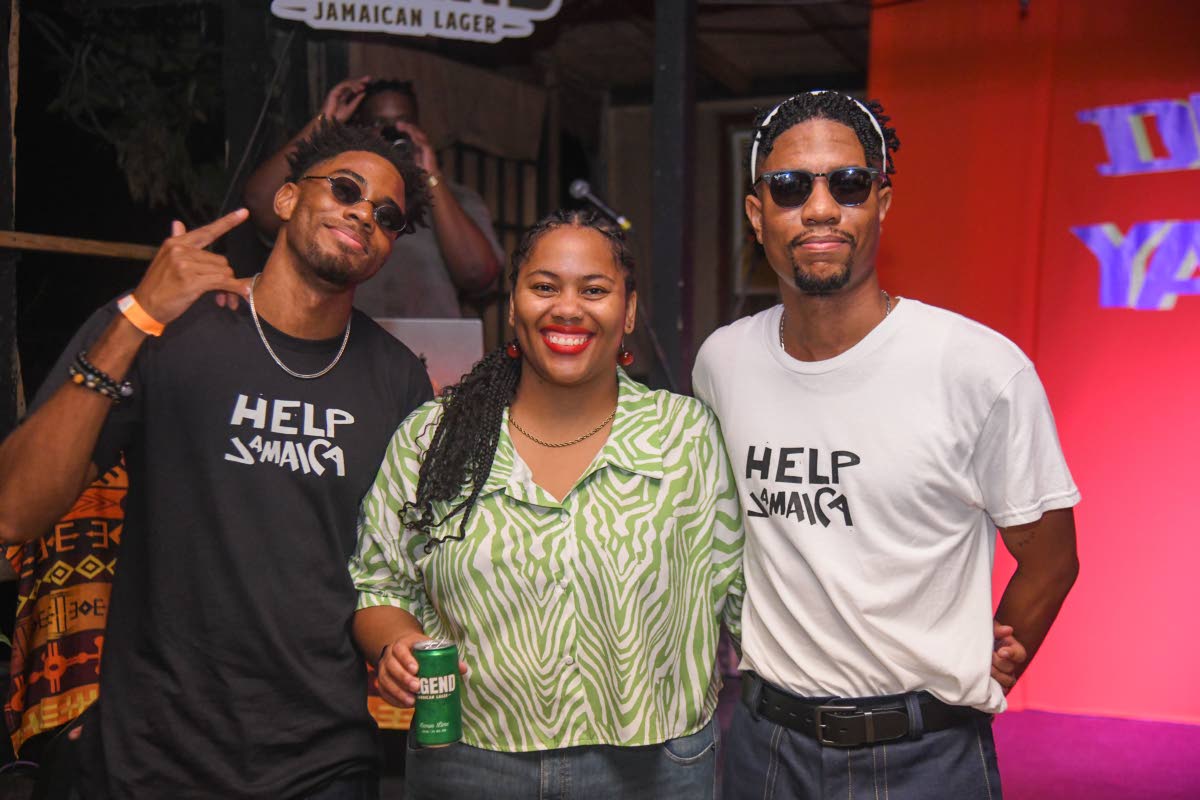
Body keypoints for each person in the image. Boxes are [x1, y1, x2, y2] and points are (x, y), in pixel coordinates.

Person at [0, 120, 434, 798]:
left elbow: (395, 570)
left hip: (321, 762)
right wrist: (139, 316)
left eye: (387, 216)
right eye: (346, 189)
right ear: (287, 199)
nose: (363, 214)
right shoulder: (168, 328)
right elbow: (13, 511)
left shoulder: (399, 379)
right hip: (151, 758)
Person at [692, 91, 1081, 799]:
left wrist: (982, 664)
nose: (819, 209)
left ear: (881, 202)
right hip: (763, 747)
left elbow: (1051, 558)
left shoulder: (979, 369)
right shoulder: (723, 363)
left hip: (925, 757)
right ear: (757, 213)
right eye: (789, 187)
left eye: (847, 184)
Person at [349, 210, 744, 800]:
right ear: (513, 306)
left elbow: (744, 595)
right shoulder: (431, 438)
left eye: (594, 290)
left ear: (628, 310)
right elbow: (380, 586)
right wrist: (396, 646)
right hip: (468, 763)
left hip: (651, 768)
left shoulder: (687, 437)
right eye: (543, 287)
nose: (567, 307)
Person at [244, 76, 502, 319]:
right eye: (378, 124)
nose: (390, 133)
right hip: (339, 335)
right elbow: (260, 203)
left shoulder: (457, 198)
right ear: (359, 129)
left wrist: (431, 177)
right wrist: (323, 123)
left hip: (431, 350)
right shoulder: (336, 190)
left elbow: (477, 274)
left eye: (402, 122)